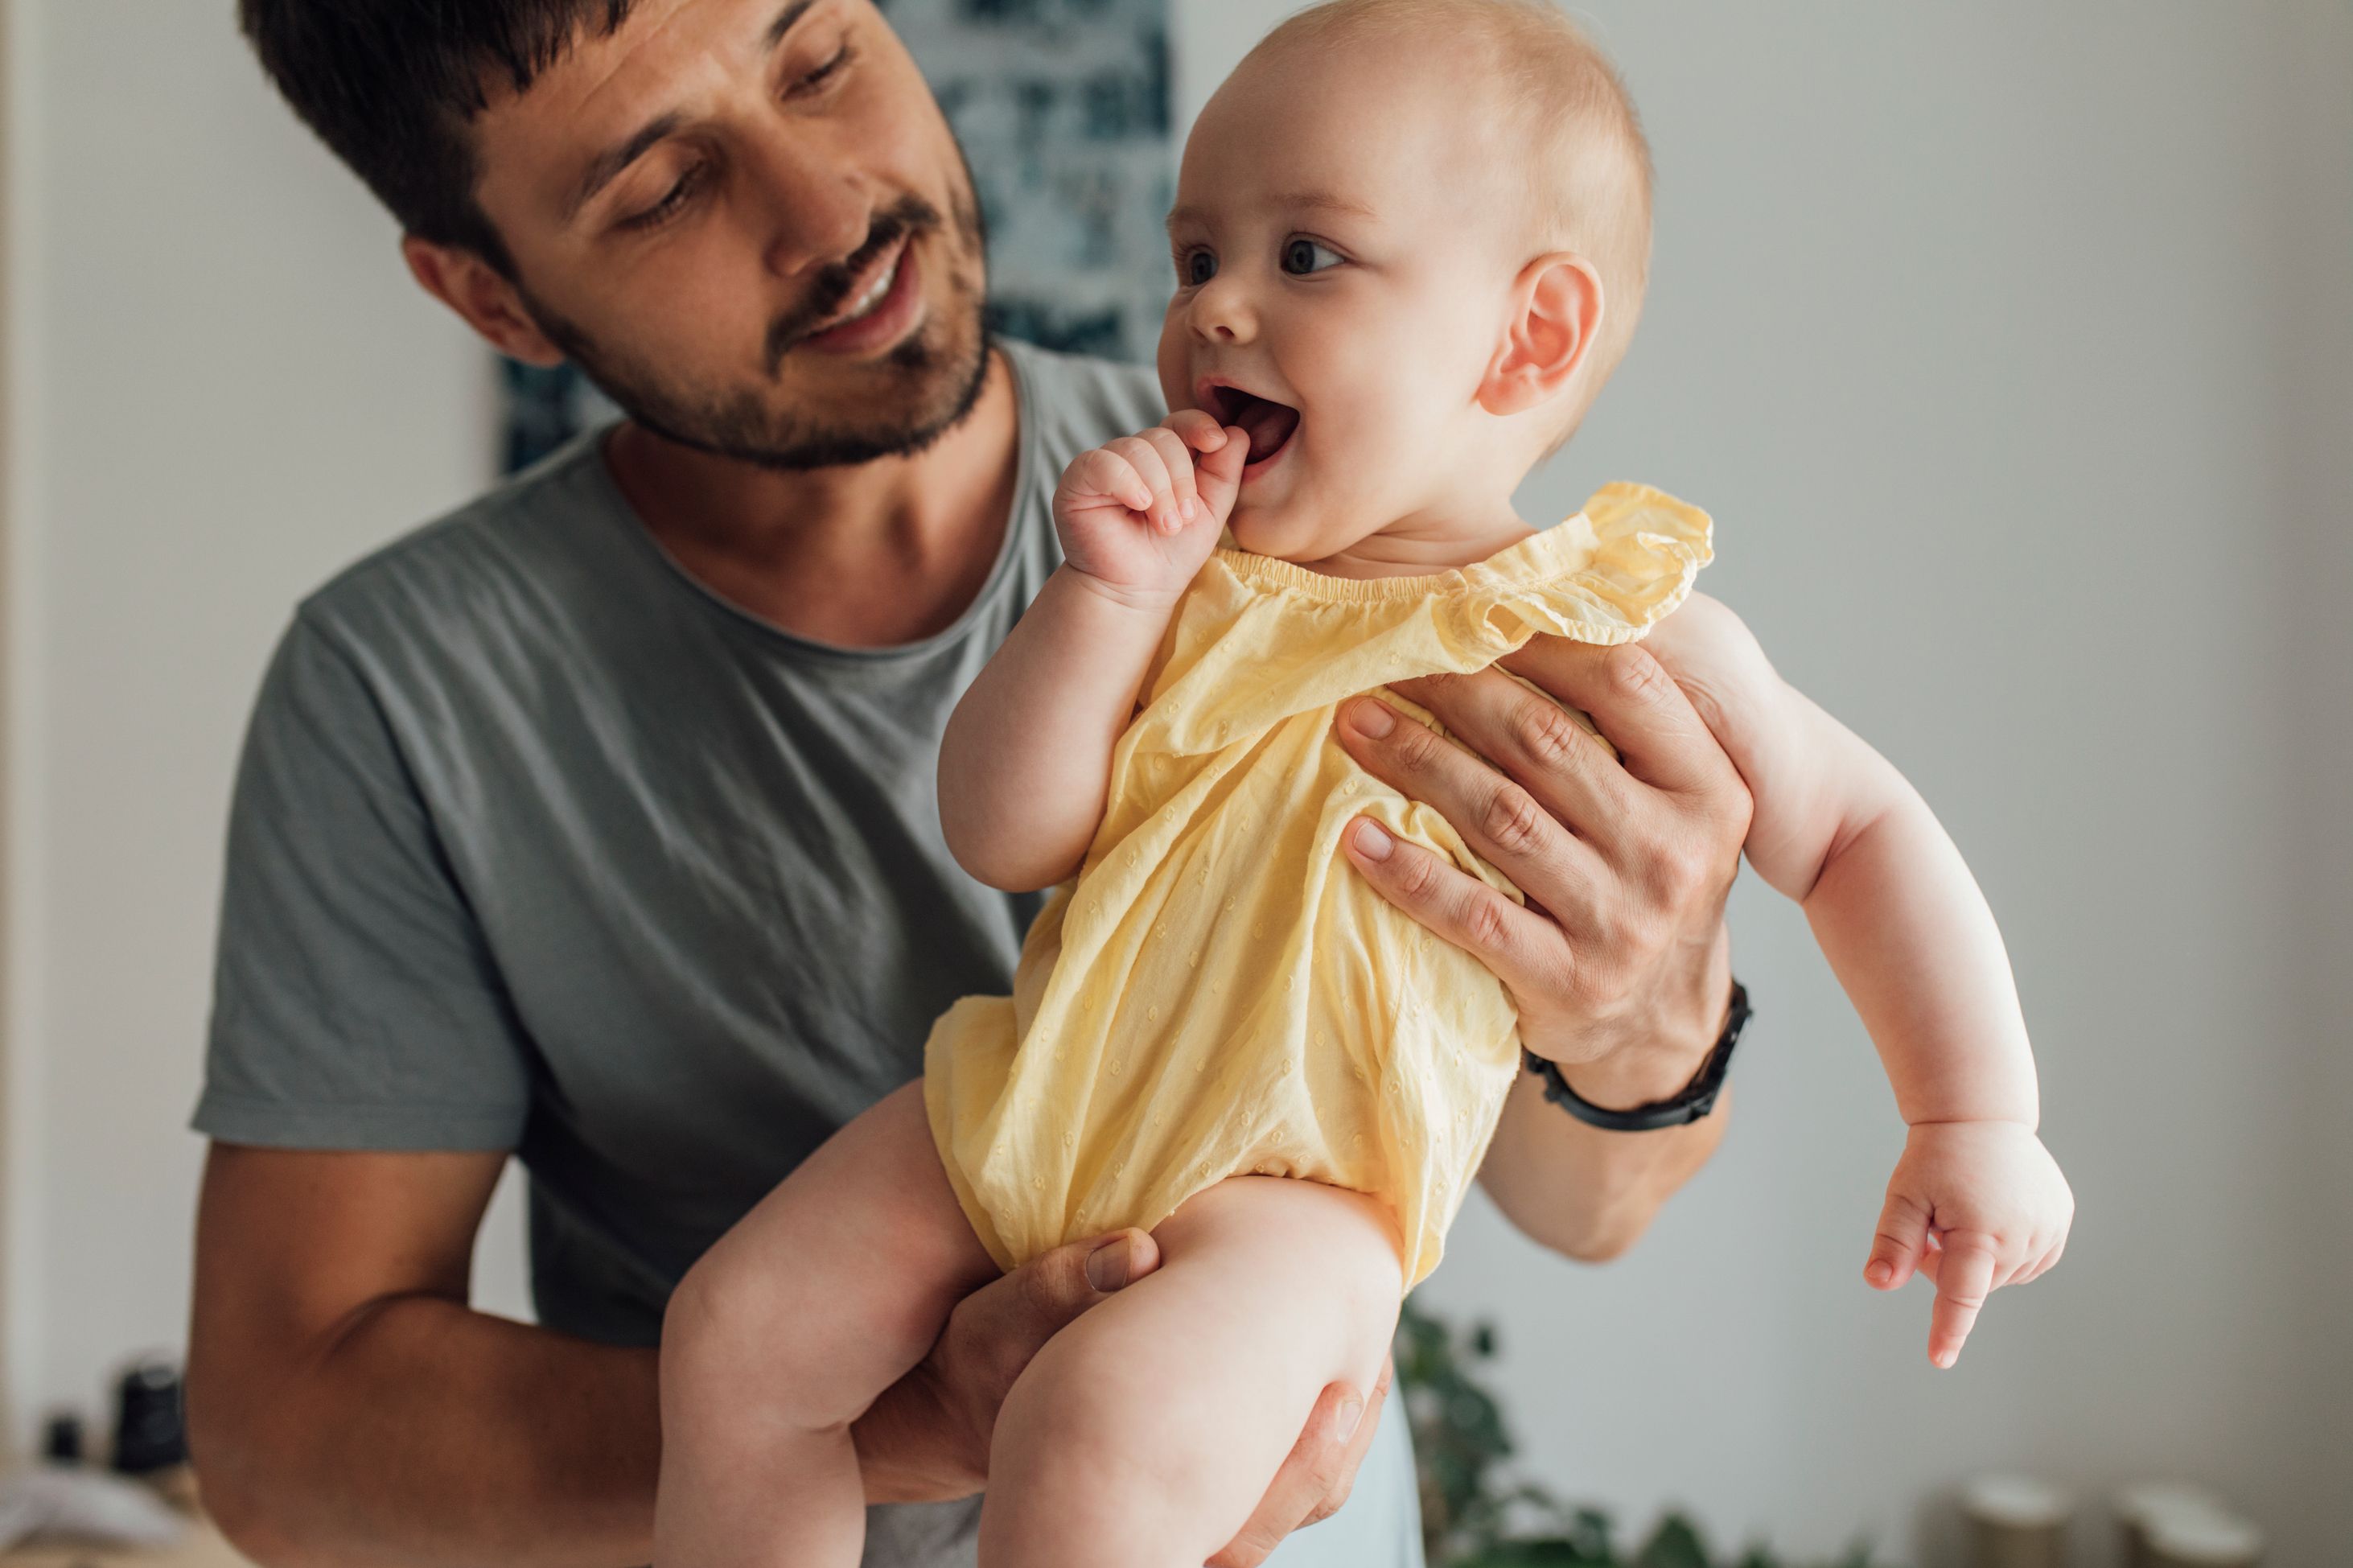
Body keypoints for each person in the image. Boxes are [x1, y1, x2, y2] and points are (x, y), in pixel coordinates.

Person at [183, 2, 1758, 1565]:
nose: (827, 212)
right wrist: (910, 1422)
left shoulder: (1324, 519)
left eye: (820, 62)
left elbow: (1588, 1209)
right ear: (493, 299)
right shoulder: (400, 690)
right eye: (665, 187)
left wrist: (1645, 1021)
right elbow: (283, 1446)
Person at [651, 2, 2075, 1563]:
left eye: (1304, 258)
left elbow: (1863, 828)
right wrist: (1103, 603)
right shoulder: (1187, 578)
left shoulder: (1614, 627)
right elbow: (1006, 832)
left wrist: (1969, 1117)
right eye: (1195, 259)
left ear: (1525, 336)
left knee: (1096, 1438)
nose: (1214, 314)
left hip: (1291, 1200)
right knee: (731, 1339)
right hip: (1017, 1101)